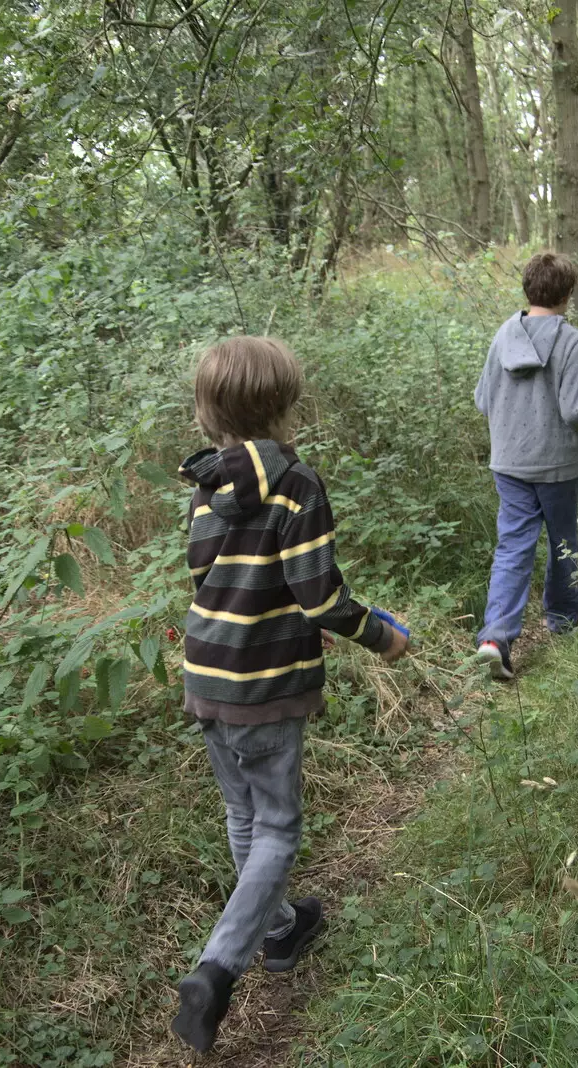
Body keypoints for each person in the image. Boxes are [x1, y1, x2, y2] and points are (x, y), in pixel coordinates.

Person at [171, 337, 411, 1053]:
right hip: (265, 685)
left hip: (208, 675)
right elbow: (320, 594)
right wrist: (382, 637)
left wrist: (287, 618)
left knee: (242, 809)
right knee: (277, 827)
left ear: (210, 408)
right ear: (282, 403)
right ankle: (217, 969)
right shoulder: (295, 483)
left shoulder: (207, 484)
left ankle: (278, 931)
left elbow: (210, 582)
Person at [473, 252, 578, 680]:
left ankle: (495, 638)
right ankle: (564, 615)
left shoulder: (503, 335)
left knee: (512, 548)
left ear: (528, 289)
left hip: (508, 464)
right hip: (557, 465)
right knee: (564, 541)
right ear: (566, 295)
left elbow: (483, 400)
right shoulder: (569, 341)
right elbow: (577, 410)